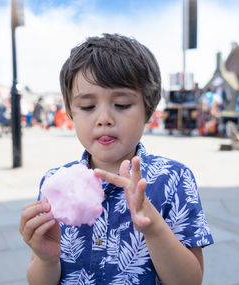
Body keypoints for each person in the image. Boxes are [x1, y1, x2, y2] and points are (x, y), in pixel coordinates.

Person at [19, 34, 213, 284]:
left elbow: (190, 280)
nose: (104, 118)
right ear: (70, 113)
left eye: (121, 104)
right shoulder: (54, 183)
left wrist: (152, 227)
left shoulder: (174, 179)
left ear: (149, 109)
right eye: (88, 107)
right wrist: (45, 259)